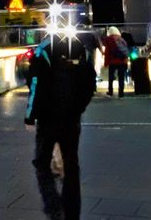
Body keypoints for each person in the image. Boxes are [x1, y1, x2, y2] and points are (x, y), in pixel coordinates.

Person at [25, 33, 96, 220]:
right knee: (71, 165)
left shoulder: (44, 50)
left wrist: (29, 116)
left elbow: (35, 83)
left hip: (48, 118)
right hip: (72, 120)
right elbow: (90, 83)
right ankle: (72, 213)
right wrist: (78, 108)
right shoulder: (81, 49)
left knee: (41, 162)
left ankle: (53, 205)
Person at [102, 26, 129, 97]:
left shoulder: (108, 40)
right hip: (122, 61)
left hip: (112, 62)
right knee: (121, 77)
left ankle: (110, 91)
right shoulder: (122, 40)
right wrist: (126, 60)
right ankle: (121, 93)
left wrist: (106, 63)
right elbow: (126, 51)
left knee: (111, 77)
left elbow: (107, 52)